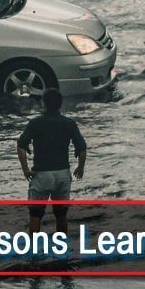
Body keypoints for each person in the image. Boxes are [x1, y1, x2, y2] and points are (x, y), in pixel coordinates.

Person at [16, 88, 87, 234]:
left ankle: (34, 251)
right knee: (61, 215)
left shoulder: (35, 123)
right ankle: (62, 248)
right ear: (61, 104)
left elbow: (21, 147)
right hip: (62, 174)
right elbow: (82, 148)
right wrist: (80, 167)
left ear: (43, 103)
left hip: (41, 174)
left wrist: (25, 169)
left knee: (35, 215)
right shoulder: (69, 123)